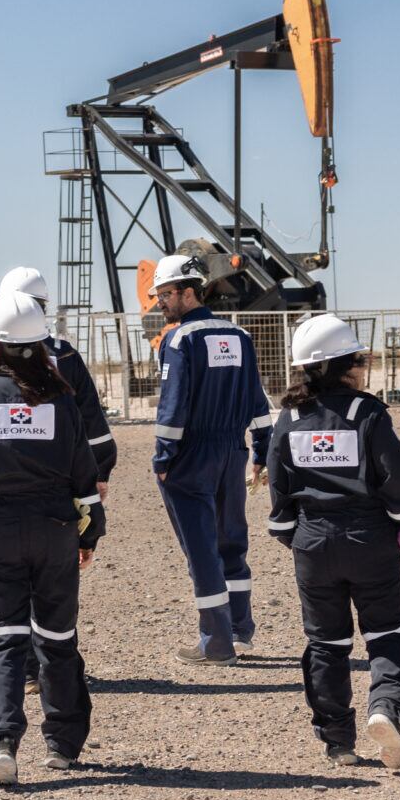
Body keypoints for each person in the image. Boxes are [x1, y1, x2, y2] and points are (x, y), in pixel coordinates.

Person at [0, 290, 105, 789]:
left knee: (5, 638)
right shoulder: (62, 400)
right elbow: (86, 476)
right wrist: (91, 533)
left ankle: (3, 744)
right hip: (57, 532)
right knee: (57, 638)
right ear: (41, 346)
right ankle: (61, 745)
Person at [264, 314, 400, 771]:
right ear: (345, 366)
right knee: (387, 631)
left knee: (326, 643)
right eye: (360, 358)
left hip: (312, 542)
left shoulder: (289, 419)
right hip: (369, 538)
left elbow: (279, 488)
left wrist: (295, 534)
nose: (364, 366)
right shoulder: (367, 412)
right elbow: (397, 475)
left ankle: (338, 741)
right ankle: (385, 708)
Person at [148, 253, 275, 662]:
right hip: (231, 449)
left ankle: (216, 644)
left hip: (191, 454)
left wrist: (163, 459)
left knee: (202, 548)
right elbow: (256, 398)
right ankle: (240, 632)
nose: (159, 303)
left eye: (165, 294)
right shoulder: (239, 336)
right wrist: (262, 448)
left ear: (188, 292)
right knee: (231, 542)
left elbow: (173, 405)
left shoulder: (180, 339)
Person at [0, 266, 117, 485]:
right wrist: (101, 471)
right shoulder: (66, 355)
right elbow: (90, 417)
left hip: (1, 475)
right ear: (42, 309)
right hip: (63, 472)